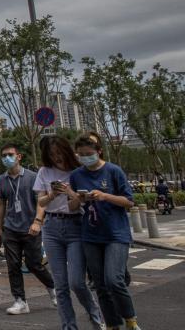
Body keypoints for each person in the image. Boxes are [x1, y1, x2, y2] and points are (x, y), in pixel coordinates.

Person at [69, 135, 140, 330]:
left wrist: (105, 196)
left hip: (116, 233)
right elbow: (72, 205)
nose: (85, 157)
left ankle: (130, 320)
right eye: (81, 155)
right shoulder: (76, 175)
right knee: (100, 285)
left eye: (89, 154)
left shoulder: (113, 171)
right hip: (91, 235)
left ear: (98, 151)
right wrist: (78, 198)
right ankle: (112, 325)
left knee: (114, 279)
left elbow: (129, 201)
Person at [34, 136, 105, 329]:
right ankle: (69, 326)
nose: (56, 158)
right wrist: (53, 194)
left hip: (75, 227)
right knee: (61, 286)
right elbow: (40, 203)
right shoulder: (44, 171)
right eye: (52, 155)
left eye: (59, 153)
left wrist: (71, 194)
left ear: (66, 151)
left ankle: (96, 317)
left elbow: (77, 205)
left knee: (77, 282)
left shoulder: (78, 171)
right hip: (52, 228)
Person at [0, 144, 56, 315]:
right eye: (4, 155)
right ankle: (20, 301)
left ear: (19, 156)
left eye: (10, 154)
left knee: (34, 264)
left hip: (31, 228)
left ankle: (53, 288)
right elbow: (1, 204)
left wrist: (38, 221)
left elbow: (41, 200)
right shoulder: (1, 180)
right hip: (10, 229)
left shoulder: (33, 177)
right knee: (13, 266)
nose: (7, 158)